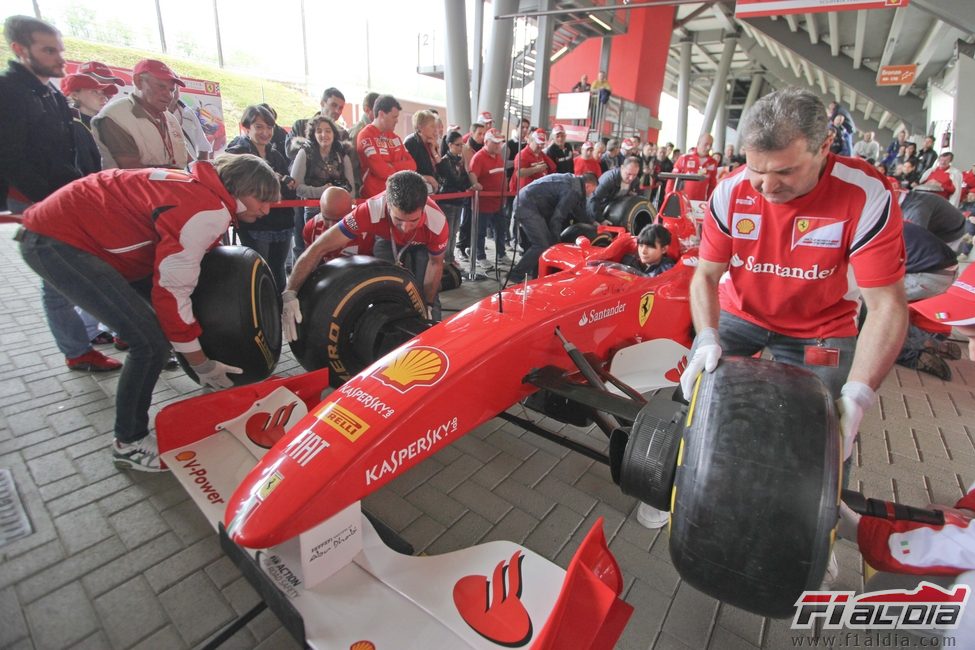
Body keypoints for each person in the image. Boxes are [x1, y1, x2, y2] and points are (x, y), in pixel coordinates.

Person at [671, 88, 907, 541]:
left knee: (830, 431)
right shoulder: (731, 191)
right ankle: (673, 484)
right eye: (757, 170)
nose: (767, 186)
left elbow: (887, 306)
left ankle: (822, 526)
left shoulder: (866, 193)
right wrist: (706, 338)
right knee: (691, 392)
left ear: (823, 149)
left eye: (785, 171)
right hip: (743, 312)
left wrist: (859, 392)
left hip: (821, 326)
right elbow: (704, 278)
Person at [19, 154, 281, 472]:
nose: (267, 210)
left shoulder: (200, 189)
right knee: (149, 343)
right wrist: (202, 363)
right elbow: (172, 291)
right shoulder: (206, 209)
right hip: (60, 242)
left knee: (169, 324)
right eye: (262, 200)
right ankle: (128, 441)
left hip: (67, 232)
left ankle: (207, 377)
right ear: (239, 188)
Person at [1, 15, 121, 373]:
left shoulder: (50, 91)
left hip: (63, 195)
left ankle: (94, 337)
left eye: (60, 49)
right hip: (36, 201)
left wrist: (76, 191)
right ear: (20, 50)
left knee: (79, 271)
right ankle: (76, 349)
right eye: (49, 50)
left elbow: (63, 153)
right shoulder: (9, 91)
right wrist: (49, 202)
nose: (59, 57)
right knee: (57, 278)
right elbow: (12, 157)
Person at [283, 170, 447, 333]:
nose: (405, 227)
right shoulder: (369, 211)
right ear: (387, 205)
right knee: (388, 288)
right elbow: (318, 248)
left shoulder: (437, 221)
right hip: (388, 240)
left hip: (424, 244)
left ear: (423, 208)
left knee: (426, 300)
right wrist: (290, 293)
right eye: (399, 219)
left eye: (413, 220)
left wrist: (429, 304)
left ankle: (435, 337)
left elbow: (435, 263)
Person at [225, 105, 297, 291]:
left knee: (278, 269)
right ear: (246, 127)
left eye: (269, 127)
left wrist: (287, 183)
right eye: (259, 127)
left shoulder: (276, 155)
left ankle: (280, 311)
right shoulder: (237, 152)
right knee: (257, 269)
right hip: (255, 222)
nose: (265, 132)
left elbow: (287, 189)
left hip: (281, 221)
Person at [92, 59, 189, 169]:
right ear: (138, 81)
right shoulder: (115, 117)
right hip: (136, 186)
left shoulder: (170, 118)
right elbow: (131, 170)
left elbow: (186, 159)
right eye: (161, 87)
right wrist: (177, 174)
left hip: (173, 184)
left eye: (171, 90)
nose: (169, 95)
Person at [508, 172, 599, 283]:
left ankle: (537, 276)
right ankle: (513, 277)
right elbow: (557, 218)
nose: (591, 194)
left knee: (543, 244)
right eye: (592, 191)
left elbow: (577, 211)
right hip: (527, 205)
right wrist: (557, 244)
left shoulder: (574, 182)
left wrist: (593, 223)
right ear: (587, 186)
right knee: (542, 245)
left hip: (529, 202)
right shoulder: (573, 190)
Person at [291, 114, 354, 220]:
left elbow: (351, 189)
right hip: (313, 211)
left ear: (334, 134)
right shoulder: (305, 153)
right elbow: (296, 187)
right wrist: (323, 191)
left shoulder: (342, 154)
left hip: (339, 209)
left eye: (328, 131)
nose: (324, 134)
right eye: (319, 131)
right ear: (313, 135)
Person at [357, 94, 415, 199]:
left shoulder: (395, 138)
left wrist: (391, 165)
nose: (397, 121)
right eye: (394, 117)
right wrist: (400, 165)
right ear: (381, 114)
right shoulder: (366, 136)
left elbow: (412, 165)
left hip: (395, 197)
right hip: (373, 199)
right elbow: (381, 171)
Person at [61, 73, 117, 175]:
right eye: (95, 92)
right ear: (75, 95)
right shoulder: (72, 126)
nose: (104, 98)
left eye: (102, 92)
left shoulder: (101, 123)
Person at [468, 128, 509, 269]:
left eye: (500, 143)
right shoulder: (479, 157)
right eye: (495, 142)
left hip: (498, 203)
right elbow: (472, 173)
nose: (498, 145)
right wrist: (475, 183)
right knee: (480, 232)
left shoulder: (498, 157)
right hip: (483, 204)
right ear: (486, 142)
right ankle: (480, 256)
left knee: (501, 230)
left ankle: (501, 254)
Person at [436, 130, 471, 264]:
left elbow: (465, 180)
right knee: (448, 233)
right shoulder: (445, 161)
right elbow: (455, 181)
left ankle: (450, 258)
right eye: (458, 145)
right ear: (450, 145)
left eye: (462, 145)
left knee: (454, 232)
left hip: (458, 201)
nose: (461, 148)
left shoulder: (459, 160)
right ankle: (445, 259)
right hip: (447, 201)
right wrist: (465, 182)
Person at [899, 190, 966, 251]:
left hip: (950, 234)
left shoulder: (915, 209)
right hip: (935, 227)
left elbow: (914, 240)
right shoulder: (906, 197)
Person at [665, 133, 717, 201]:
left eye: (710, 145)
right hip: (682, 201)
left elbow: (712, 185)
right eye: (706, 144)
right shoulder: (685, 158)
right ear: (698, 143)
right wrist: (668, 197)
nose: (708, 148)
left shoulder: (713, 162)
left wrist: (709, 202)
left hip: (700, 203)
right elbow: (672, 179)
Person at [587, 156, 641, 222]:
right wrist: (601, 220)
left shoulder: (636, 181)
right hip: (600, 210)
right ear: (622, 168)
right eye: (628, 174)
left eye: (635, 175)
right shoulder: (609, 179)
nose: (631, 178)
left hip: (617, 211)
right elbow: (594, 199)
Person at [403, 109, 441, 193]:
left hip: (432, 191)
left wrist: (434, 151)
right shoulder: (411, 142)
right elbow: (406, 171)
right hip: (416, 191)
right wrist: (426, 178)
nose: (435, 130)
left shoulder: (430, 142)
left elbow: (443, 170)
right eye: (432, 126)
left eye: (435, 126)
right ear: (420, 127)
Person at [170, 87, 211, 162]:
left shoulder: (188, 112)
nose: (170, 93)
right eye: (162, 86)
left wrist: (198, 170)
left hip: (188, 170)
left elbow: (204, 147)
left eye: (173, 89)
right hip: (163, 171)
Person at [509, 129, 555, 196]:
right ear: (531, 140)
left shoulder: (541, 154)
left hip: (538, 192)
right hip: (524, 194)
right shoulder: (522, 154)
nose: (540, 146)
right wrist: (536, 169)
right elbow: (519, 173)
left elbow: (553, 168)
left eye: (542, 144)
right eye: (538, 143)